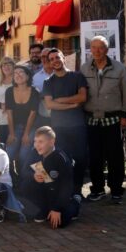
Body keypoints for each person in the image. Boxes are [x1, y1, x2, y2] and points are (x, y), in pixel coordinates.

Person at [80, 36, 126, 203]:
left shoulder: (119, 69)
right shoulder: (84, 69)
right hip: (91, 120)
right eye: (94, 47)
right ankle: (97, 189)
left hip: (112, 119)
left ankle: (116, 190)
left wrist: (125, 115)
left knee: (115, 157)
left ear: (107, 49)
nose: (97, 51)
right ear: (90, 49)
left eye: (101, 47)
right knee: (95, 157)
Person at [43, 49, 88, 196]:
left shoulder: (77, 76)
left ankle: (77, 191)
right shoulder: (48, 82)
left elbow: (82, 97)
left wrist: (61, 100)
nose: (55, 60)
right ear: (49, 63)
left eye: (57, 57)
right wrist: (71, 104)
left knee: (81, 159)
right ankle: (66, 191)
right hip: (59, 127)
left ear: (64, 58)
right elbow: (49, 105)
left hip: (78, 125)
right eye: (51, 59)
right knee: (64, 160)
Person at [21, 126, 80, 228]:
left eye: (41, 142)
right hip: (45, 191)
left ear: (52, 142)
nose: (37, 145)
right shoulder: (34, 152)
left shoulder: (61, 158)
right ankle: (43, 209)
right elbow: (24, 171)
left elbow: (66, 186)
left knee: (59, 223)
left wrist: (56, 209)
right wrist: (33, 176)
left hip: (60, 195)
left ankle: (75, 202)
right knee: (25, 184)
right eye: (35, 141)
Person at [4, 65, 39, 175]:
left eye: (21, 72)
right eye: (15, 73)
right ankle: (12, 178)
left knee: (24, 155)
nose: (18, 75)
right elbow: (9, 114)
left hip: (32, 126)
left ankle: (24, 180)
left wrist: (26, 134)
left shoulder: (35, 91)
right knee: (8, 153)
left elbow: (32, 114)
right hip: (15, 127)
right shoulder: (9, 91)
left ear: (28, 76)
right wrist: (11, 133)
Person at [0, 56, 15, 140]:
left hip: (15, 119)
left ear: (13, 66)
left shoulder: (17, 80)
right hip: (0, 119)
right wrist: (2, 106)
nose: (6, 67)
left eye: (9, 64)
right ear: (1, 68)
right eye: (4, 65)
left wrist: (8, 106)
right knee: (2, 144)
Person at [32, 48, 53, 127]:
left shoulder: (62, 74)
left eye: (47, 56)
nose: (45, 59)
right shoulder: (36, 77)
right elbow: (34, 96)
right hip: (44, 116)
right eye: (42, 57)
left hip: (61, 115)